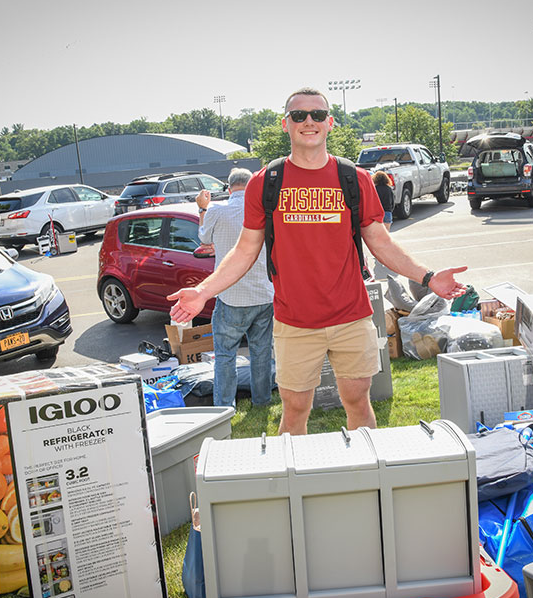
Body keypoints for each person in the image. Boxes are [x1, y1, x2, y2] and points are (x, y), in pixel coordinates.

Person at [168, 86, 468, 435]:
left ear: (330, 123)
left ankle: (363, 478)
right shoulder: (267, 183)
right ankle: (297, 485)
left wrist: (428, 277)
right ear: (286, 124)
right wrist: (204, 292)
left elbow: (380, 242)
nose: (308, 121)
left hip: (351, 317)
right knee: (295, 411)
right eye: (299, 115)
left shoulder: (353, 178)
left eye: (317, 115)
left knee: (358, 402)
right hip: (294, 322)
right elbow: (244, 251)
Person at [196, 168, 274, 408]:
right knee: (261, 352)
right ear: (251, 186)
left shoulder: (218, 211)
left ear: (229, 189)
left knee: (225, 354)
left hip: (231, 295)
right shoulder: (264, 211)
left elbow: (203, 238)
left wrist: (202, 208)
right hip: (264, 292)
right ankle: (261, 401)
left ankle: (224, 404)